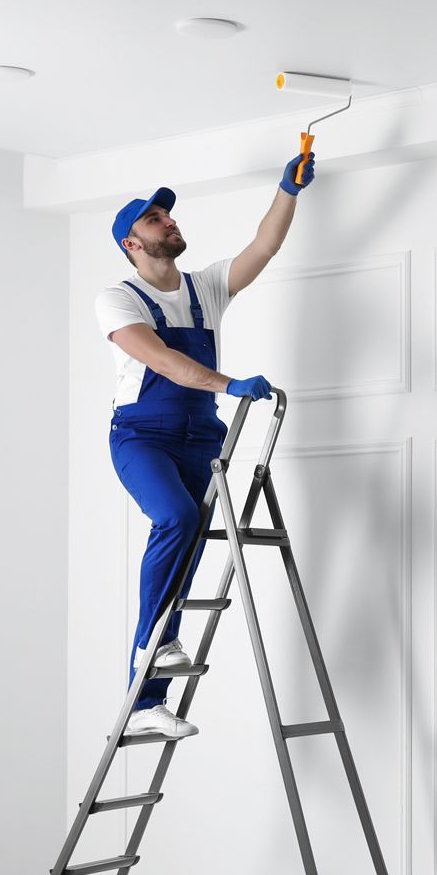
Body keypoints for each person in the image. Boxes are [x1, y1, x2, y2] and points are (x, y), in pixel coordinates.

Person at [92, 151, 314, 737]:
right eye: (153, 220)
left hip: (200, 436)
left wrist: (286, 190)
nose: (168, 221)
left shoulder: (204, 289)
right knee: (175, 517)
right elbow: (163, 360)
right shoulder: (118, 299)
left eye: (167, 214)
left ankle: (145, 705)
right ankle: (151, 644)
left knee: (188, 543)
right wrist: (227, 383)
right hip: (143, 436)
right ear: (131, 245)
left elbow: (262, 248)